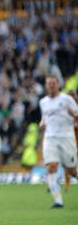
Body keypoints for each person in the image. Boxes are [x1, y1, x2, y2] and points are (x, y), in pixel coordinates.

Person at [39, 76, 78, 208]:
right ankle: (58, 201)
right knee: (51, 166)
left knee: (72, 170)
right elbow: (44, 117)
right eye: (48, 83)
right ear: (46, 86)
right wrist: (42, 123)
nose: (51, 86)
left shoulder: (67, 99)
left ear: (58, 85)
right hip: (50, 138)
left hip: (66, 137)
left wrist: (74, 115)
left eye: (53, 83)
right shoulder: (43, 102)